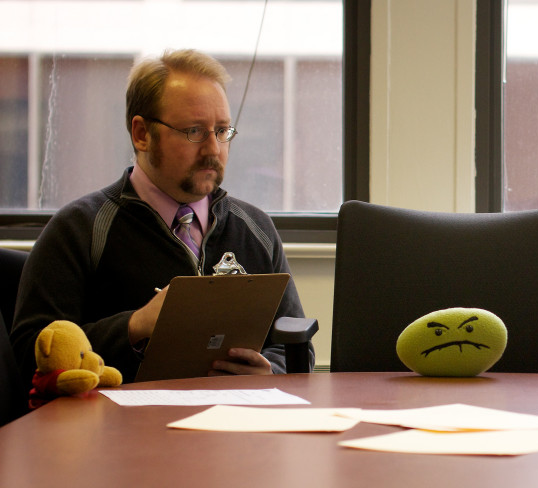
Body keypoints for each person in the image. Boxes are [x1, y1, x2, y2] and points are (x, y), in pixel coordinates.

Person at [11, 49, 313, 384]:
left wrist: (270, 372)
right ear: (141, 134)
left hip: (235, 423)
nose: (213, 149)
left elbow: (296, 344)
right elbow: (29, 355)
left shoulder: (255, 229)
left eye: (222, 131)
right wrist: (135, 326)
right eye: (194, 131)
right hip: (118, 428)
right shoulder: (79, 229)